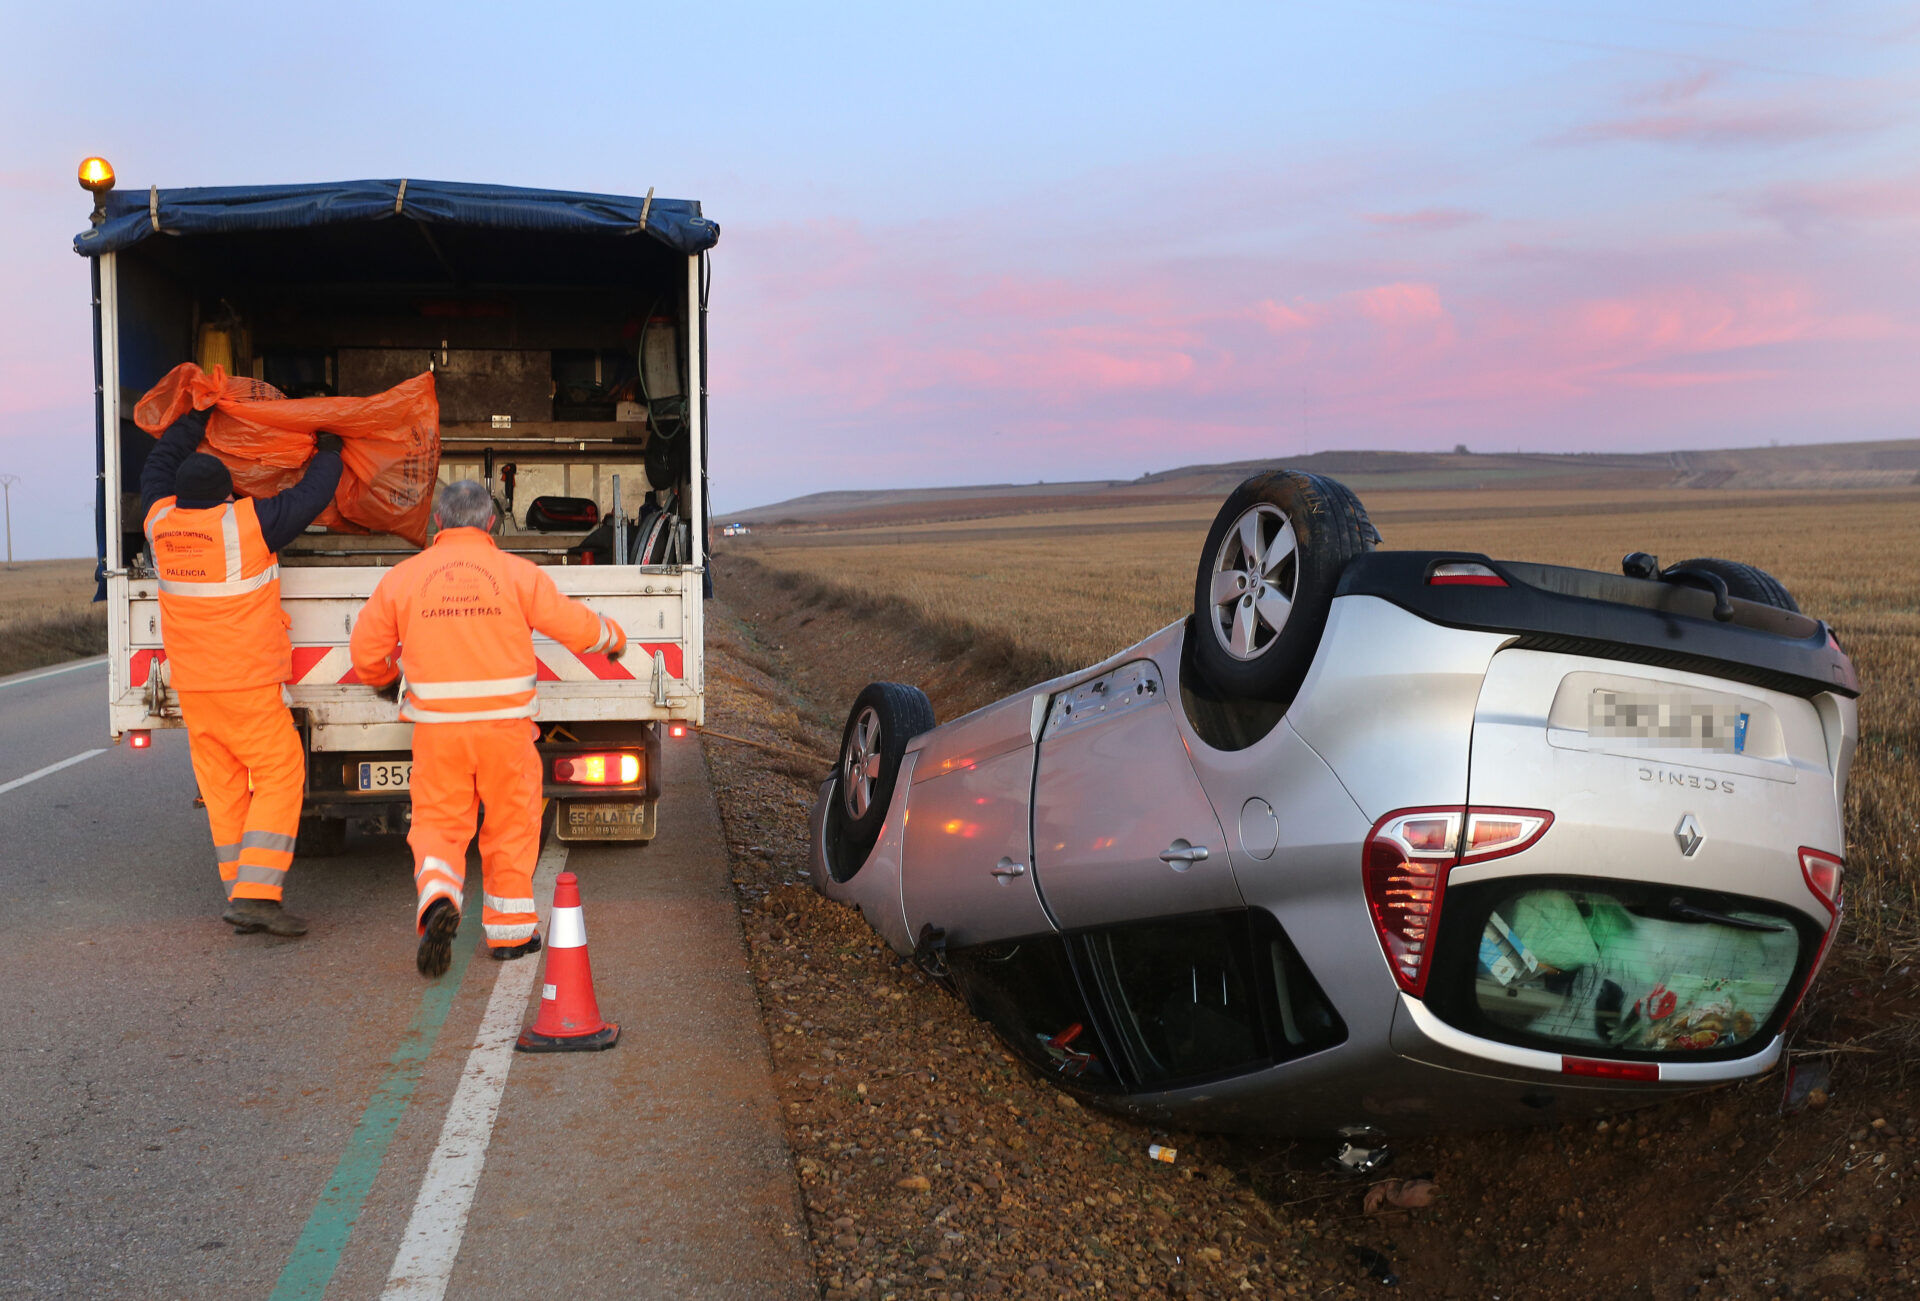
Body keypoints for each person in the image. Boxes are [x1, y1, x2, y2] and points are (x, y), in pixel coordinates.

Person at [348, 479, 628, 977]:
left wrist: (386, 681)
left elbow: (367, 654)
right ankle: (511, 934)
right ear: (492, 523)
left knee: (438, 823)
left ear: (438, 522)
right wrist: (613, 638)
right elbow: (574, 626)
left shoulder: (404, 578)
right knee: (510, 826)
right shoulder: (517, 574)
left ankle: (437, 897)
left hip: (438, 735)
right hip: (505, 733)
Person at [140, 410, 344, 936]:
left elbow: (158, 466)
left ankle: (240, 894)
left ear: (180, 495)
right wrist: (331, 450)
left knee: (225, 788)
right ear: (228, 494)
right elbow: (311, 497)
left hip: (197, 689)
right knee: (280, 774)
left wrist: (195, 420)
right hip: (247, 684)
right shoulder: (246, 526)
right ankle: (257, 894)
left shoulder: (160, 522)